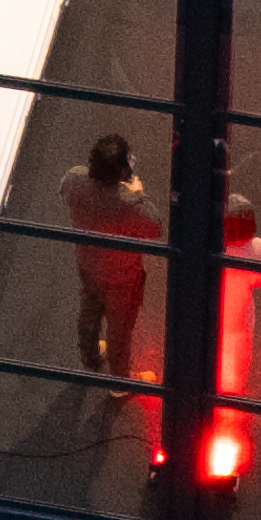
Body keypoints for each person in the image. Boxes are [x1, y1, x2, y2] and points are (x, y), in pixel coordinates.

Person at [68, 136, 164, 381]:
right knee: (119, 326)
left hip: (88, 265)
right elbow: (155, 228)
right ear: (122, 170)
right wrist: (138, 193)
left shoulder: (75, 180)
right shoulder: (129, 204)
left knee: (89, 309)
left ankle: (89, 358)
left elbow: (67, 190)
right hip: (121, 276)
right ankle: (120, 380)